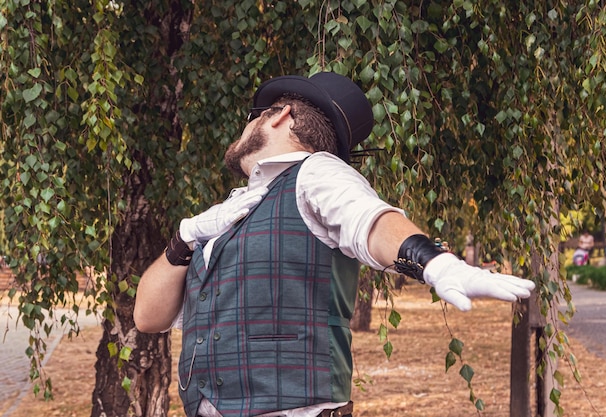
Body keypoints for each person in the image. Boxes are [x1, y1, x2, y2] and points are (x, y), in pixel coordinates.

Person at [134, 72, 536, 417]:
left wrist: (434, 263)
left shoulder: (316, 172)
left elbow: (369, 221)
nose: (243, 128)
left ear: (281, 116)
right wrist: (184, 238)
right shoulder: (224, 215)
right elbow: (148, 319)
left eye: (251, 116)